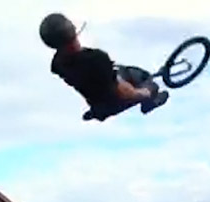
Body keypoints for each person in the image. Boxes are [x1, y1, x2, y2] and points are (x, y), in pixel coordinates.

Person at [39, 12, 169, 121]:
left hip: (98, 104)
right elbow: (124, 93)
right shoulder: (97, 59)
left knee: (120, 70)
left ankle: (98, 109)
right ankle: (149, 103)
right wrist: (144, 93)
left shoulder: (57, 64)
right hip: (115, 101)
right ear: (73, 30)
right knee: (148, 81)